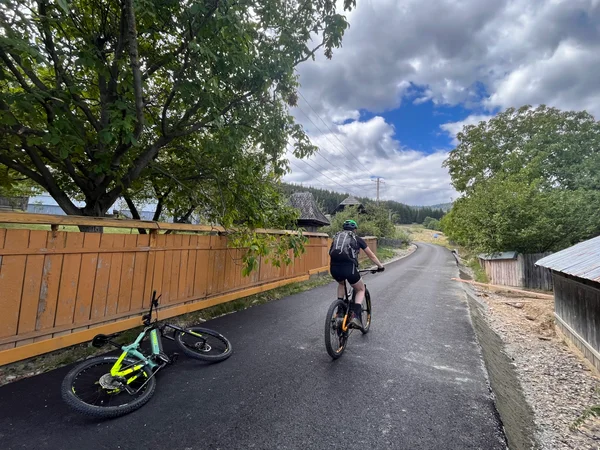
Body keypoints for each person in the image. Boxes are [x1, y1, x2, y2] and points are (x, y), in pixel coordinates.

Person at [329, 219, 384, 329]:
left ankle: (340, 311)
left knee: (341, 283)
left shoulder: (336, 238)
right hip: (349, 269)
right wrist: (380, 266)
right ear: (355, 229)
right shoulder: (357, 239)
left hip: (334, 268)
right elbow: (371, 255)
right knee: (361, 289)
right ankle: (355, 316)